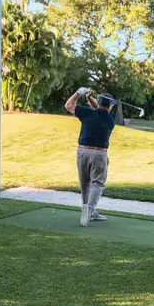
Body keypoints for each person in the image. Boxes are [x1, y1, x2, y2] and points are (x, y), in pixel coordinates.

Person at [65, 87, 118, 227]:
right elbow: (100, 110)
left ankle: (88, 211)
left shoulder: (87, 113)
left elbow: (69, 105)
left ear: (99, 102)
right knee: (97, 183)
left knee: (85, 183)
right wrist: (89, 98)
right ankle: (90, 209)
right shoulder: (111, 118)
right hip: (99, 153)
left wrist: (79, 93)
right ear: (110, 105)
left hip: (82, 152)